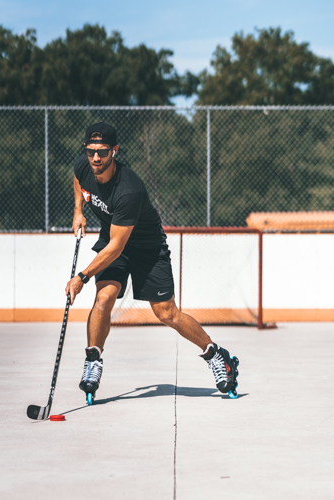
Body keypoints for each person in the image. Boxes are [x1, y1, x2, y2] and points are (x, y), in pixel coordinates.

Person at [65, 122, 239, 404]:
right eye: (91, 151)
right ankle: (93, 359)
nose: (96, 158)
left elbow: (115, 248)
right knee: (104, 298)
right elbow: (78, 179)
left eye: (103, 152)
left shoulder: (128, 189)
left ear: (115, 151)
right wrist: (78, 211)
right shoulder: (84, 166)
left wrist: (81, 277)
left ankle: (217, 356)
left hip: (146, 248)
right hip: (115, 240)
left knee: (167, 313)